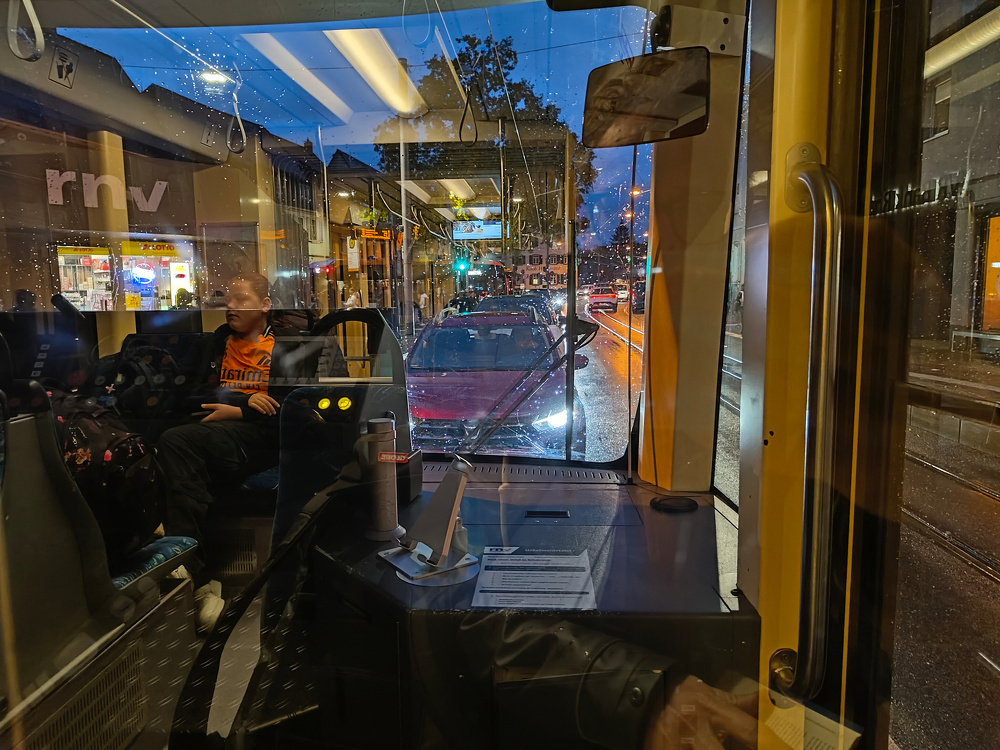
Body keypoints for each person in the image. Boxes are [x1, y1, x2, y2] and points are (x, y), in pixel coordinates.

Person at [158, 272, 282, 632]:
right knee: (163, 440)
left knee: (176, 443)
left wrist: (241, 412)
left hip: (260, 438)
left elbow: (291, 410)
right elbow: (193, 394)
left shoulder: (285, 345)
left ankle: (188, 569)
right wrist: (241, 401)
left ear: (265, 305)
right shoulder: (218, 343)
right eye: (229, 299)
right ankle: (187, 571)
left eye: (241, 299)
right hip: (217, 428)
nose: (230, 306)